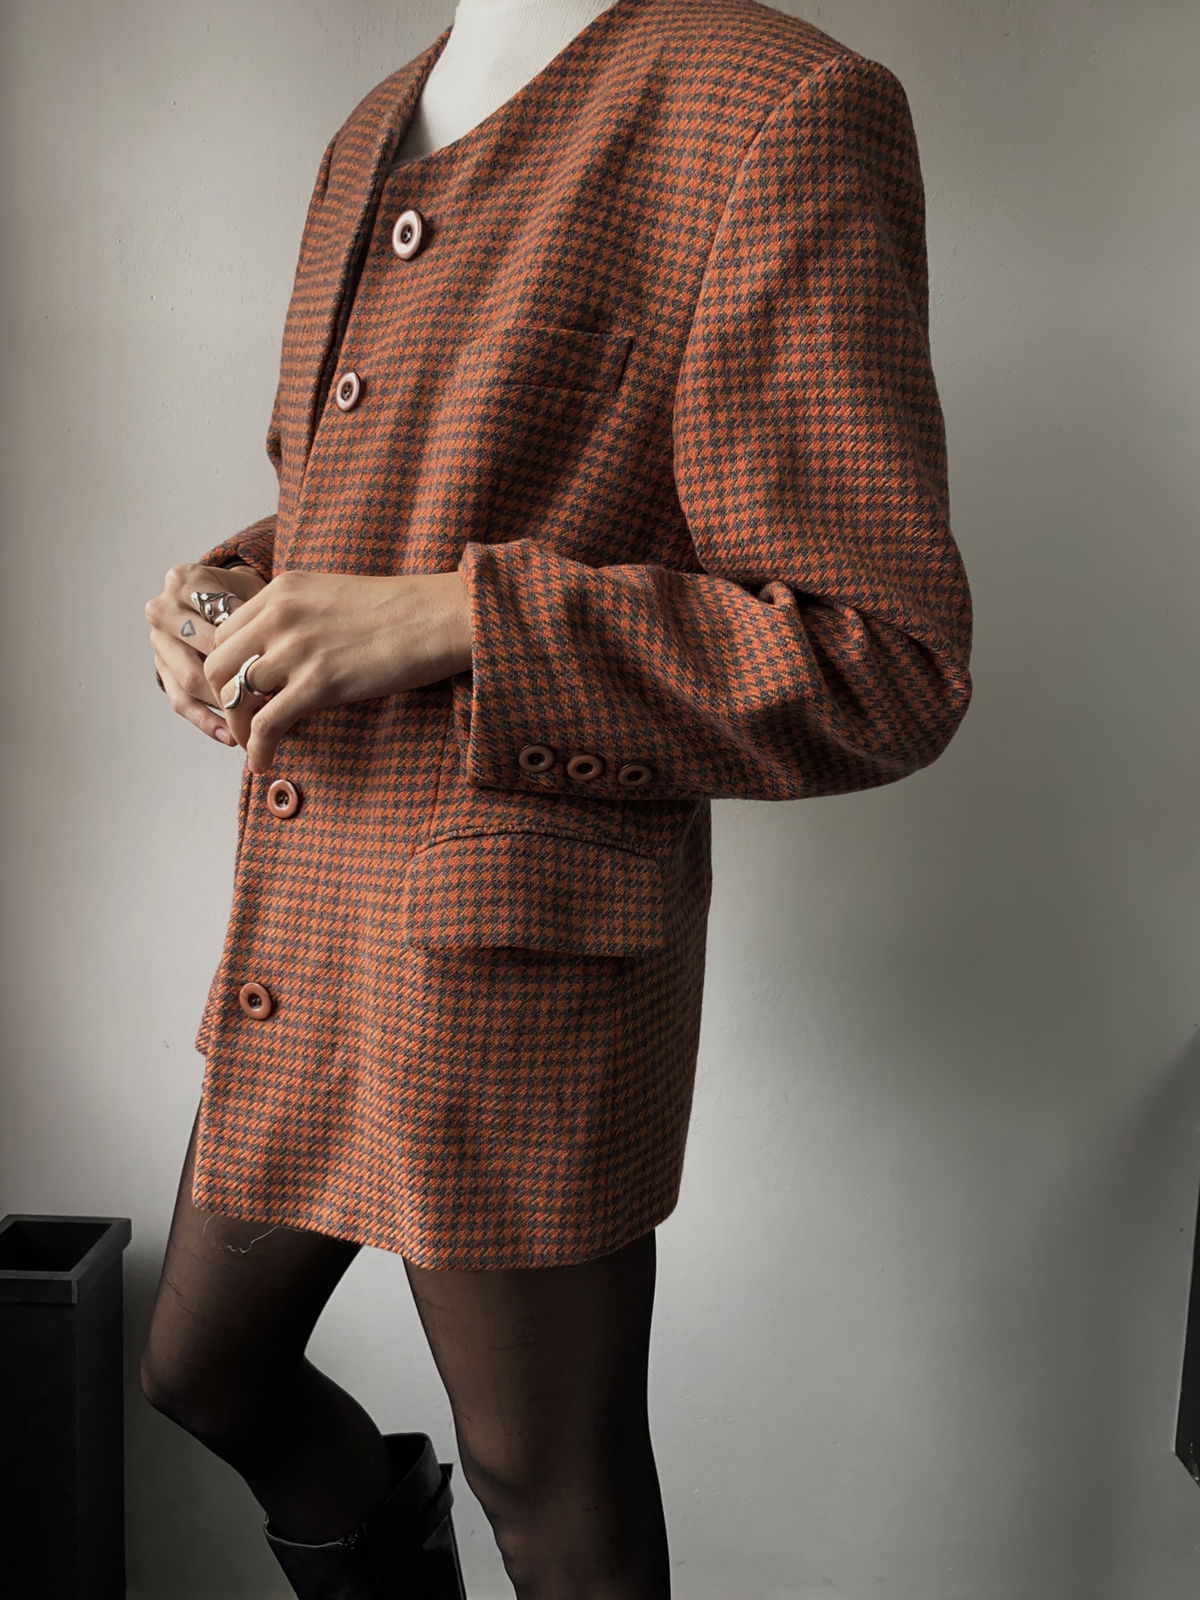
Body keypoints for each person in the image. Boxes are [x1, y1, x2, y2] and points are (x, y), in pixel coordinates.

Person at [140, 0, 974, 1595]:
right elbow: (368, 501)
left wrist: (464, 620)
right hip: (311, 914)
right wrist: (227, 591)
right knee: (203, 1370)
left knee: (552, 1493)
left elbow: (883, 660)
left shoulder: (780, 107)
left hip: (514, 953)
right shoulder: (374, 124)